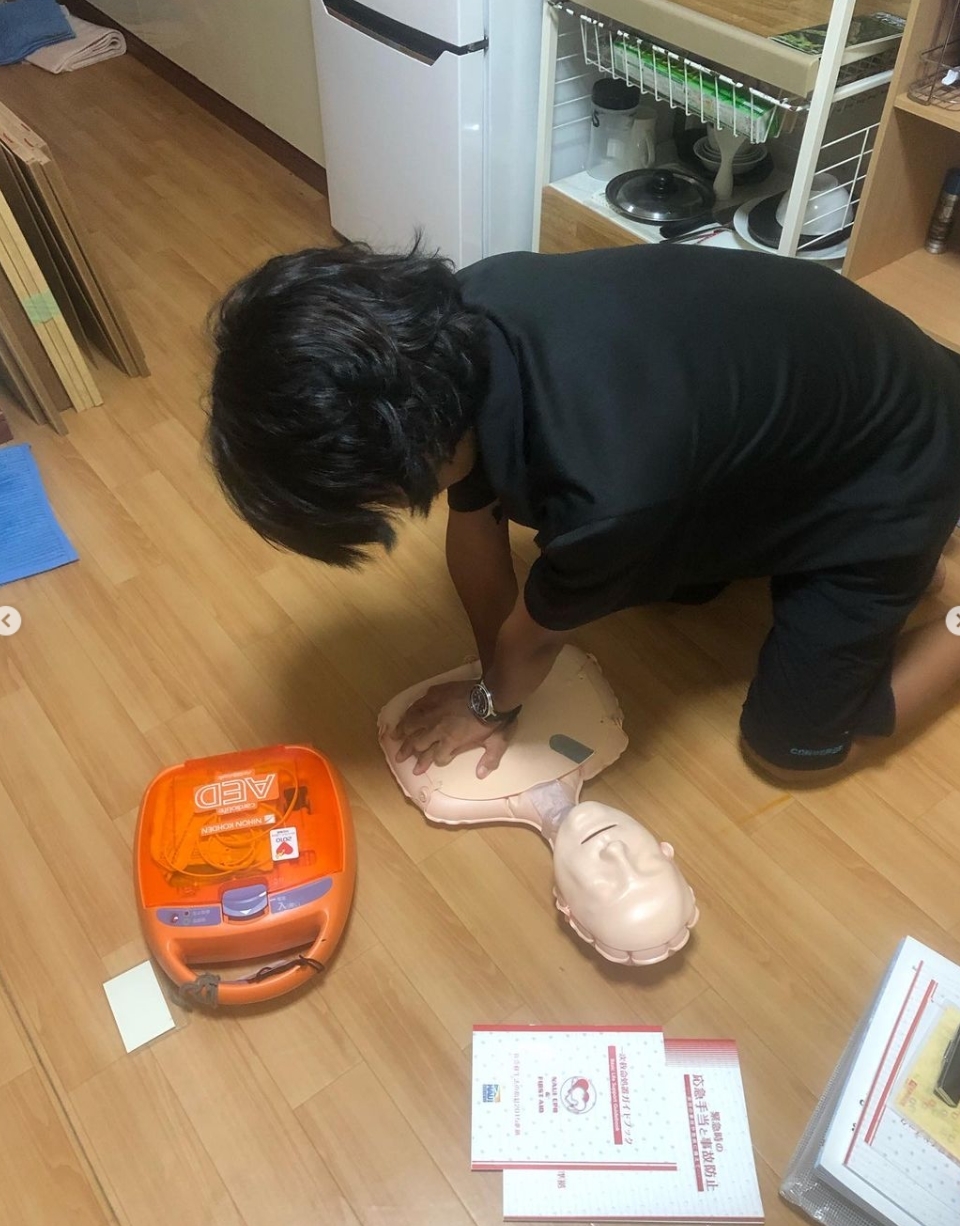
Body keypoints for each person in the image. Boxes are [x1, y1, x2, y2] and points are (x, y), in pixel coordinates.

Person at [207, 242, 960, 785]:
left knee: (790, 750)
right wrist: (496, 685)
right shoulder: (453, 323)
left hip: (896, 458)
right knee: (664, 590)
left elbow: (536, 640)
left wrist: (488, 702)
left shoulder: (606, 491)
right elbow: (475, 519)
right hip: (813, 387)